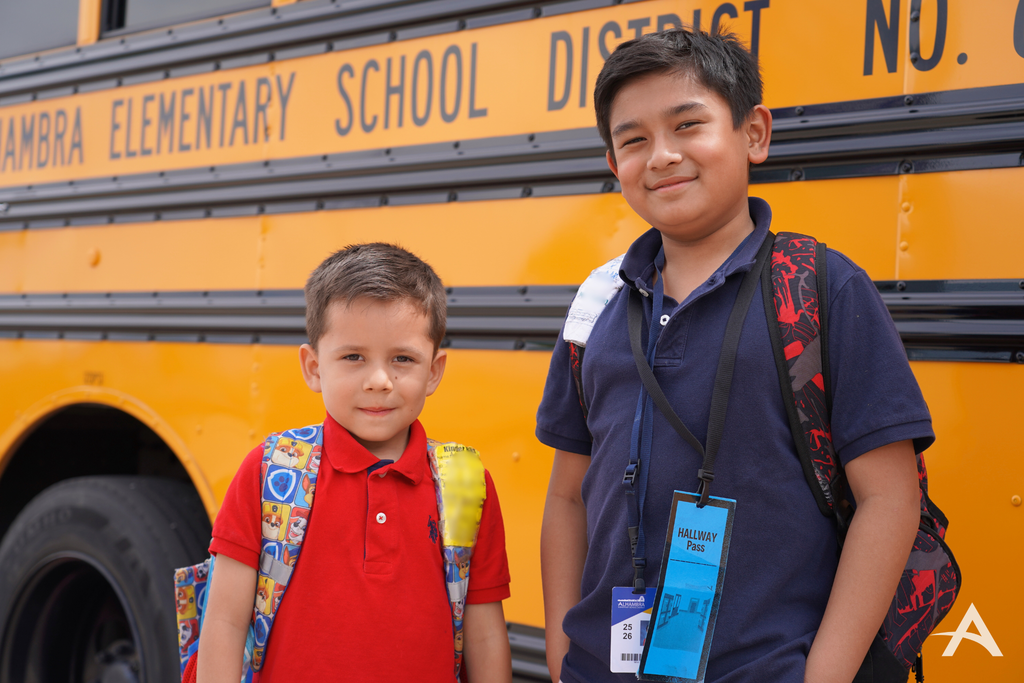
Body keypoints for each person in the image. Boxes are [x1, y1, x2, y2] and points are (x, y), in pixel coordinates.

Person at [537, 28, 931, 683]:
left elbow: (889, 498)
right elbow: (566, 497)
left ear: (754, 134)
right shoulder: (597, 303)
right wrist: (560, 655)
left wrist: (823, 674)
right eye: (633, 139)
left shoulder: (821, 288)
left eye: (688, 125)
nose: (661, 156)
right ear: (614, 164)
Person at [197, 243, 512, 682]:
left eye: (403, 359)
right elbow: (225, 623)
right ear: (313, 367)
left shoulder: (465, 483)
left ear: (435, 371)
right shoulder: (272, 472)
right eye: (353, 357)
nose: (379, 381)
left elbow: (485, 637)